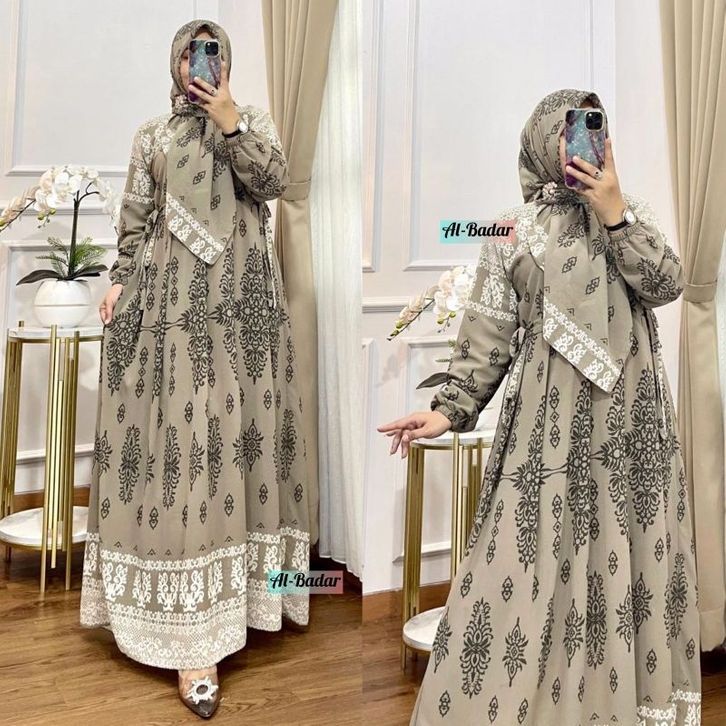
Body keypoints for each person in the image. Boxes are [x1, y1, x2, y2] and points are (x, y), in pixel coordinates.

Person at [378, 88, 701, 725]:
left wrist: (614, 214)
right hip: (545, 432)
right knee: (525, 563)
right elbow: (488, 337)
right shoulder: (511, 230)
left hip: (630, 430)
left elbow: (668, 284)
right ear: (541, 140)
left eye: (593, 127)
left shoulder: (630, 215)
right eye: (567, 128)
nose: (580, 141)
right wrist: (447, 409)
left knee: (626, 560)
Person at [80, 19, 311, 719]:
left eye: (210, 53)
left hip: (242, 315)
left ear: (225, 63)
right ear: (174, 63)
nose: (198, 63)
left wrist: (230, 119)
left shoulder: (254, 123)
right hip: (169, 313)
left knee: (230, 446)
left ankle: (238, 604)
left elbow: (272, 183)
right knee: (179, 450)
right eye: (189, 53)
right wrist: (120, 279)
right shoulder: (151, 135)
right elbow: (135, 219)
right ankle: (190, 638)